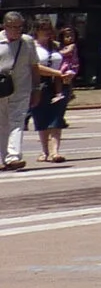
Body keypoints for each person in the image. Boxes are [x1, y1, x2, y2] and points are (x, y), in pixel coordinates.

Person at [29, 21, 72, 164]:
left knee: (56, 118)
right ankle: (44, 151)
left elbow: (66, 63)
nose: (47, 32)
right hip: (39, 84)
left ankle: (55, 152)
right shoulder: (31, 46)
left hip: (58, 83)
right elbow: (35, 67)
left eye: (49, 29)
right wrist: (58, 72)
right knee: (41, 117)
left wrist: (66, 73)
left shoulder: (56, 45)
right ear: (36, 31)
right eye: (43, 29)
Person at [0, 11, 34, 171]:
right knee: (1, 125)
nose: (16, 30)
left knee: (17, 122)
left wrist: (37, 88)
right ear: (4, 26)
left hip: (21, 89)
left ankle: (13, 157)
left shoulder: (27, 42)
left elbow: (34, 66)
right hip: (1, 90)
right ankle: (2, 159)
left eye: (19, 27)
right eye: (13, 27)